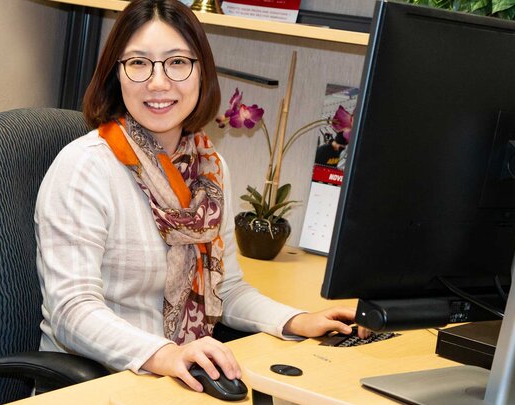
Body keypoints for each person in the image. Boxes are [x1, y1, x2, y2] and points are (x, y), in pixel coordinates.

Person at [34, 0, 367, 393]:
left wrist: (296, 320)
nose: (158, 82)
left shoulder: (209, 170)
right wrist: (164, 354)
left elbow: (227, 290)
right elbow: (72, 312)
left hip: (180, 374)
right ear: (115, 75)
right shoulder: (84, 168)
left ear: (201, 72)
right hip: (104, 381)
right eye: (138, 63)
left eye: (177, 62)